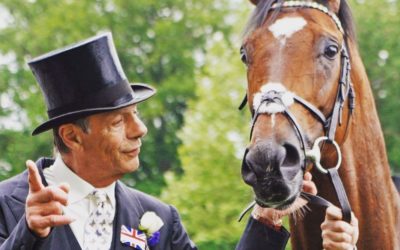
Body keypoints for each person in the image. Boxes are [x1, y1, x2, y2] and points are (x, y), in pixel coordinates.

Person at [0, 32, 358, 250]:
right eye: (118, 121)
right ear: (72, 136)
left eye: (136, 115)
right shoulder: (7, 205)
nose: (139, 130)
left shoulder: (157, 218)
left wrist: (265, 221)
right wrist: (28, 233)